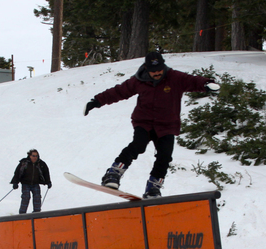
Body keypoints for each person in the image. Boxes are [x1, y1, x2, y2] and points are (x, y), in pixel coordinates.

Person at [84, 51, 218, 198]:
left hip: (167, 125)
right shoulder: (138, 80)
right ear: (147, 69)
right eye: (153, 71)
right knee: (138, 145)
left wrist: (207, 83)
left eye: (159, 69)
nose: (157, 73)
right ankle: (113, 173)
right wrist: (96, 101)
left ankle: (153, 187)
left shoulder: (175, 77)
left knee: (165, 156)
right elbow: (119, 92)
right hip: (144, 122)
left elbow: (193, 81)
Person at [10, 149, 52, 214]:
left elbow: (46, 173)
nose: (35, 157)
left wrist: (48, 182)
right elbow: (18, 172)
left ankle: (36, 213)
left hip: (35, 184)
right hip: (25, 183)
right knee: (26, 197)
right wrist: (15, 182)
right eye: (33, 156)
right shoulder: (24, 163)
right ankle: (22, 214)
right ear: (29, 156)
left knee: (37, 197)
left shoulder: (41, 164)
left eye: (36, 156)